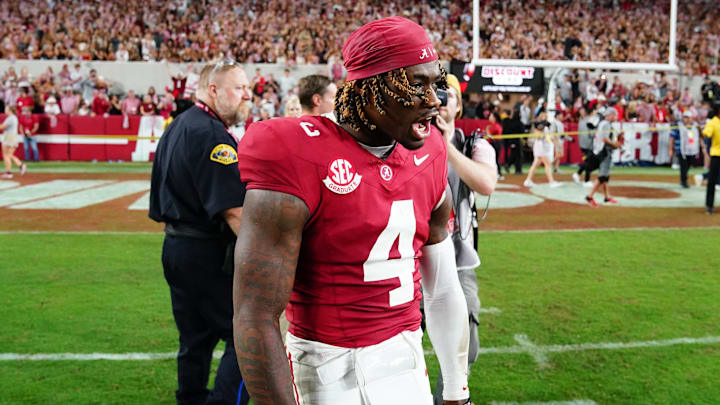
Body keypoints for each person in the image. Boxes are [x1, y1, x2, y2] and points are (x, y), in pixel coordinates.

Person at [233, 17, 471, 405]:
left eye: (434, 83)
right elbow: (255, 314)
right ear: (371, 90)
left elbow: (443, 286)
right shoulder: (295, 150)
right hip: (327, 374)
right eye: (415, 84)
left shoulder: (430, 152)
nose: (433, 101)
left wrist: (457, 390)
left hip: (408, 368)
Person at [148, 60, 253, 405]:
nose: (246, 96)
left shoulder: (179, 125)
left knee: (194, 339)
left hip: (176, 247)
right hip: (207, 254)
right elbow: (235, 213)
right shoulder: (212, 135)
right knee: (246, 338)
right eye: (239, 88)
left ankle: (190, 399)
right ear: (214, 90)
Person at [433, 73, 497, 405]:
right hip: (411, 259)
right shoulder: (404, 140)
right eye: (435, 95)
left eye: (448, 97)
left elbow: (486, 183)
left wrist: (446, 148)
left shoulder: (474, 144)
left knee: (466, 345)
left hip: (458, 258)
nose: (441, 103)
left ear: (458, 106)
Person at [586, 108, 623, 207]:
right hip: (604, 152)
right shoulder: (606, 124)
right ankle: (590, 196)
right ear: (610, 115)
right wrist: (615, 145)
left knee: (605, 176)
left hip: (600, 150)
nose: (615, 117)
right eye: (614, 115)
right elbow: (605, 139)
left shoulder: (603, 123)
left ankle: (607, 196)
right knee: (602, 176)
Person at [523, 112, 561, 188]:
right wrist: (540, 128)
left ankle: (528, 180)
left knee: (535, 164)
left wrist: (557, 145)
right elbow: (538, 137)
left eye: (545, 116)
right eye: (543, 116)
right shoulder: (537, 127)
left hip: (544, 147)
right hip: (540, 147)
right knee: (548, 164)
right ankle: (551, 182)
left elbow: (550, 137)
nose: (544, 118)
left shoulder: (547, 127)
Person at [669, 110, 700, 188]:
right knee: (684, 165)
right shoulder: (678, 126)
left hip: (691, 149)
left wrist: (701, 147)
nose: (687, 119)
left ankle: (684, 179)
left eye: (688, 118)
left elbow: (698, 137)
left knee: (688, 165)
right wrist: (670, 149)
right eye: (685, 117)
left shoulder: (695, 126)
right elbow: (672, 138)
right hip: (680, 149)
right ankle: (684, 181)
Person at [703, 106, 720, 214]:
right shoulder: (713, 122)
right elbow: (707, 133)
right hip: (716, 155)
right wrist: (703, 132)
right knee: (712, 181)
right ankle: (709, 205)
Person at [1, 105, 26, 178]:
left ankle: (8, 173)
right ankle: (21, 165)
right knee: (9, 155)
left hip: (9, 137)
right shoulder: (13, 118)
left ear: (10, 110)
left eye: (6, 108)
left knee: (6, 155)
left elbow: (2, 127)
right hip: (13, 137)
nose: (5, 110)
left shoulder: (10, 118)